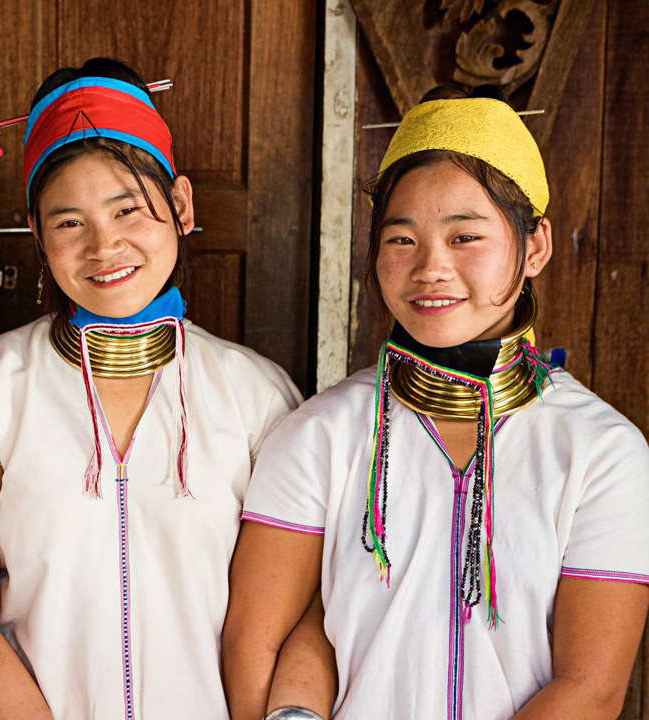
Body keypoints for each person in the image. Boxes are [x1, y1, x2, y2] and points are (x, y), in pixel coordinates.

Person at [225, 85, 649, 720]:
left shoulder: (600, 452)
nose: (431, 267)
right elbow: (262, 642)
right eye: (402, 240)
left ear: (534, 246)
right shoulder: (318, 434)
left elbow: (590, 689)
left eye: (465, 237)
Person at [0, 58, 319, 719]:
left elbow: (285, 618)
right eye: (69, 222)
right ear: (37, 236)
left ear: (182, 206)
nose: (104, 245)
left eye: (128, 210)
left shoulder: (258, 396)